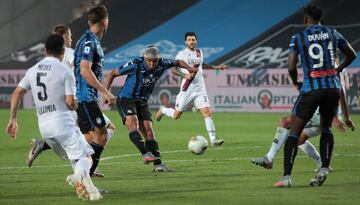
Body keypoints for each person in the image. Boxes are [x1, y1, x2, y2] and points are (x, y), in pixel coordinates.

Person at [5, 34, 102, 200]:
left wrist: (12, 119)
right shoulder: (65, 71)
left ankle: (92, 192)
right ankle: (77, 177)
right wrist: (76, 105)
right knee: (86, 156)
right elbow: (71, 103)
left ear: (44, 50)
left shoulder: (32, 70)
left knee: (75, 158)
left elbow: (17, 93)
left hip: (45, 128)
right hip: (63, 123)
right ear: (63, 51)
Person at [274, 5, 356, 187]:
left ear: (306, 19)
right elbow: (351, 54)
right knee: (326, 129)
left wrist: (296, 82)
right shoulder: (333, 33)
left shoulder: (298, 37)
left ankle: (286, 178)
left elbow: (290, 66)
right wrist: (338, 69)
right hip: (332, 89)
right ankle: (324, 168)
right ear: (321, 18)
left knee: (294, 132)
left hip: (312, 89)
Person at [26, 24, 115, 178]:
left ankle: (48, 147)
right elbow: (82, 70)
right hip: (75, 102)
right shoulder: (71, 53)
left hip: (56, 106)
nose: (72, 39)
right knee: (104, 131)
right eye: (70, 35)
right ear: (64, 37)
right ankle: (86, 169)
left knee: (92, 132)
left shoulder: (50, 59)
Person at [105, 46, 198, 172]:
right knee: (133, 124)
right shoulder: (135, 64)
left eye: (155, 61)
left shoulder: (163, 63)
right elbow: (112, 73)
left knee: (149, 130)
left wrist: (189, 68)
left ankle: (158, 165)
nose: (152, 63)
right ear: (145, 58)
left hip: (142, 101)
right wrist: (106, 93)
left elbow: (178, 62)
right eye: (149, 61)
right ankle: (145, 154)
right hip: (126, 99)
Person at [251, 87, 355, 170]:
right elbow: (340, 92)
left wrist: (334, 118)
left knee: (285, 122)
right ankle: (321, 164)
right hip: (321, 113)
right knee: (298, 140)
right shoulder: (320, 73)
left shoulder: (325, 71)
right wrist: (346, 117)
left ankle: (269, 158)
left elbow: (337, 92)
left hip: (322, 112)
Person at [156, 32, 226, 146]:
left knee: (207, 112)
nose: (191, 41)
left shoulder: (199, 52)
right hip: (187, 88)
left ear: (196, 41)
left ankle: (213, 139)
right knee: (176, 116)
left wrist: (217, 67)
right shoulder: (181, 54)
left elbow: (202, 65)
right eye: (189, 40)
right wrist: (184, 76)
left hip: (200, 88)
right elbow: (173, 69)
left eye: (193, 39)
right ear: (185, 42)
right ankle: (163, 110)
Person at [73, 5, 116, 177]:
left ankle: (83, 178)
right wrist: (105, 91)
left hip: (84, 97)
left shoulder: (89, 41)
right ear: (105, 22)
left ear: (90, 21)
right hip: (85, 98)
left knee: (90, 140)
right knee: (102, 136)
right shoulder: (89, 42)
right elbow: (84, 69)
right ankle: (83, 178)